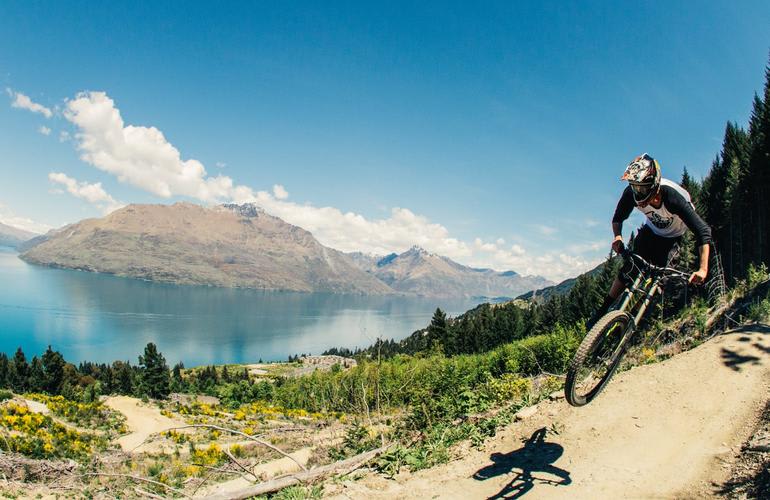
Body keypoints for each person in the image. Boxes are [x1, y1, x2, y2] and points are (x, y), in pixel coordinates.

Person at [598, 153, 712, 315]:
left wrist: (703, 269)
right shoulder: (631, 193)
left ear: (654, 184)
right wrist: (618, 237)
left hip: (672, 238)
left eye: (642, 188)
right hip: (651, 231)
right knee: (630, 268)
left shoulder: (673, 198)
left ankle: (632, 318)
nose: (638, 192)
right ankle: (602, 310)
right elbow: (618, 218)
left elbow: (703, 231)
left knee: (662, 280)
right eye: (635, 186)